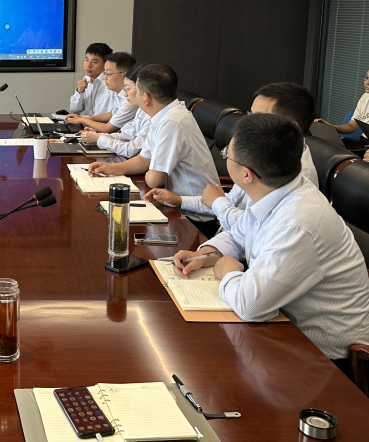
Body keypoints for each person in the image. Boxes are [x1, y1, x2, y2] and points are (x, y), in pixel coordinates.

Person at [172, 113, 369, 362]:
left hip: (326, 358)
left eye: (226, 155)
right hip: (284, 326)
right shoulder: (278, 189)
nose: (225, 157)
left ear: (246, 175)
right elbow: (240, 234)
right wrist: (205, 255)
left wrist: (228, 270)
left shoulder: (298, 221)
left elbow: (250, 306)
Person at [146, 81, 319, 231]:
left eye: (259, 118)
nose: (248, 124)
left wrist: (217, 204)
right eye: (250, 115)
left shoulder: (298, 178)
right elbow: (232, 200)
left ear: (292, 128)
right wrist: (179, 201)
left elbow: (254, 229)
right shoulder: (264, 153)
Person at [88, 64, 219, 197]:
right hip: (172, 197)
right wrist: (110, 168)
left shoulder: (172, 122)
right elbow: (143, 160)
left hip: (193, 204)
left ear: (146, 98)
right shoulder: (161, 115)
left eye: (137, 91)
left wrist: (149, 170)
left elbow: (154, 180)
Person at [80, 63, 150, 157]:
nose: (125, 94)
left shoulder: (153, 117)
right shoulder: (141, 110)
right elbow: (125, 135)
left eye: (128, 89)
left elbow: (132, 150)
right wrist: (98, 136)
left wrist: (99, 138)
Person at [67, 52, 138, 134]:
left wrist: (82, 120)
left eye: (108, 74)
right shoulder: (120, 93)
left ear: (124, 75)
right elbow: (112, 114)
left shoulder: (131, 98)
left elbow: (107, 128)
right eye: (104, 73)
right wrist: (84, 119)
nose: (104, 78)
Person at [314, 67, 369, 136]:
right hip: (364, 140)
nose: (366, 82)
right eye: (366, 77)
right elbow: (351, 126)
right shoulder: (364, 97)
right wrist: (330, 127)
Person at [68, 43, 116, 116]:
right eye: (86, 60)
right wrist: (80, 91)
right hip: (88, 122)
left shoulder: (111, 82)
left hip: (103, 123)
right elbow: (74, 110)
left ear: (106, 64)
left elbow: (113, 115)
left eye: (94, 62)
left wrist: (84, 120)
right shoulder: (86, 79)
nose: (88, 65)